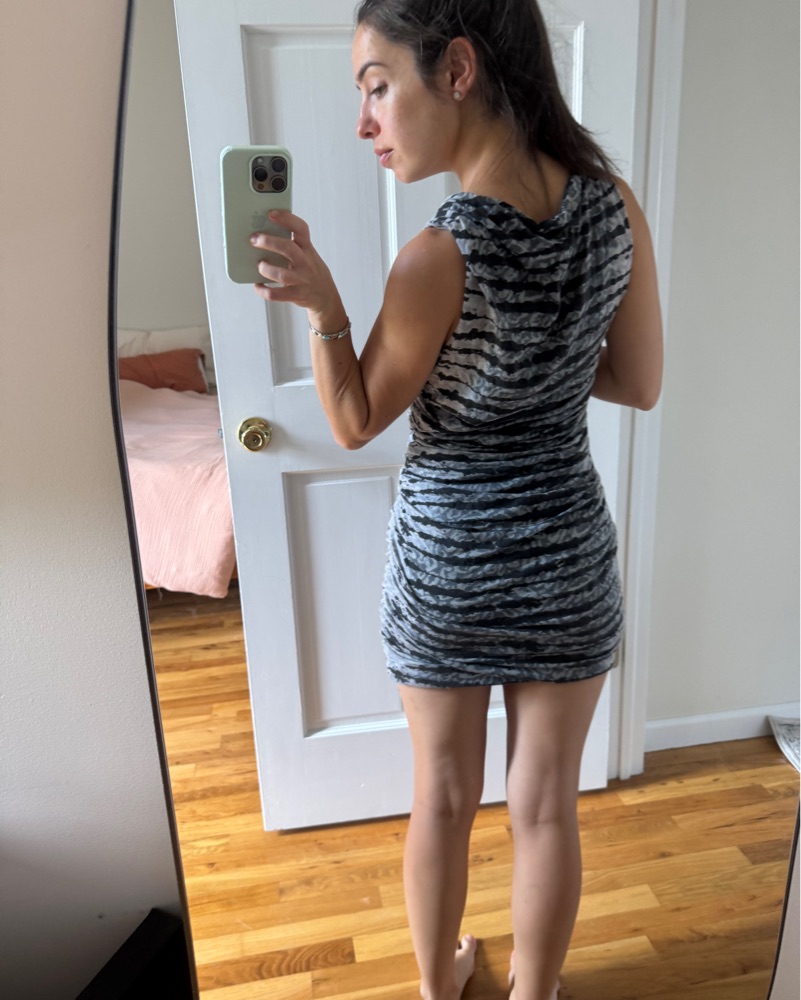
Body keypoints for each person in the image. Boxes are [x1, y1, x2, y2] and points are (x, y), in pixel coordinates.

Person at [249, 1, 663, 997]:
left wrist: (327, 309)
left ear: (459, 70)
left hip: (449, 572)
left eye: (376, 86)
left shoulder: (439, 255)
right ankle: (533, 992)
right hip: (567, 562)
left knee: (440, 798)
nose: (365, 121)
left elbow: (354, 419)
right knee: (547, 805)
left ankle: (443, 988)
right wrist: (540, 358)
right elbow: (639, 380)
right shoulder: (612, 206)